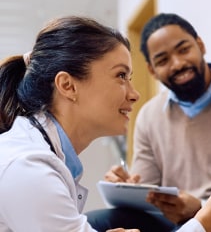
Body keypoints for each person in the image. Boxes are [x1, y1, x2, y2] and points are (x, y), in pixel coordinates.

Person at [86, 13, 211, 232]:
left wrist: (201, 209)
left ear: (200, 45)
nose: (178, 64)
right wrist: (126, 189)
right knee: (96, 223)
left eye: (183, 50)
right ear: (152, 70)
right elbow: (147, 194)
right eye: (163, 60)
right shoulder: (149, 115)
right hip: (172, 222)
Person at [0, 16, 140, 232]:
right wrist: (205, 221)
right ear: (68, 85)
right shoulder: (27, 167)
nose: (134, 95)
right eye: (121, 75)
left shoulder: (42, 154)